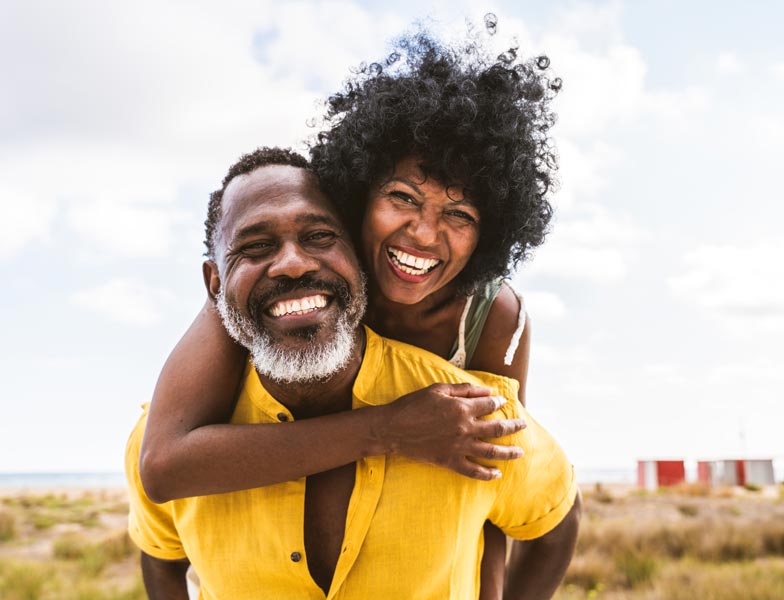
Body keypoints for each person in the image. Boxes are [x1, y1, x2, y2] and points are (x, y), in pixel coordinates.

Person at [140, 28, 576, 599]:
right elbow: (165, 464)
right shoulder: (292, 282)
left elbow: (492, 482)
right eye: (402, 198)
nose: (423, 234)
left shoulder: (490, 315)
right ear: (355, 197)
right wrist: (388, 431)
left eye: (460, 213)